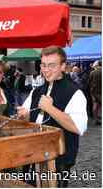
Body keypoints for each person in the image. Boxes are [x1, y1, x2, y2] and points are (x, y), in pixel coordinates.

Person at [17, 46, 88, 187]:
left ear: (63, 66)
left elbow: (78, 127)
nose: (46, 69)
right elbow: (27, 119)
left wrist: (50, 108)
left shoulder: (75, 92)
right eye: (43, 65)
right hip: (33, 155)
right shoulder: (37, 91)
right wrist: (23, 116)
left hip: (58, 160)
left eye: (52, 65)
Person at [89, 60, 101, 125]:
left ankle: (95, 119)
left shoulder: (93, 72)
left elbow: (89, 82)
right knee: (98, 105)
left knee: (95, 105)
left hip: (94, 92)